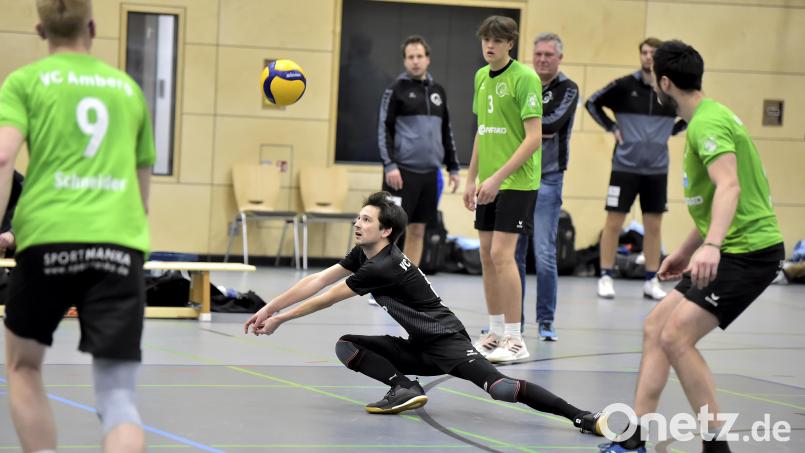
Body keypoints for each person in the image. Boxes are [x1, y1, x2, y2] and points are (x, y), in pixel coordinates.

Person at [244, 191, 604, 435]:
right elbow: (317, 280)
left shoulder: (383, 265)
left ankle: (584, 417)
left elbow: (328, 297)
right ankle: (404, 387)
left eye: (366, 220)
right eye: (358, 218)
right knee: (348, 346)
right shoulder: (364, 255)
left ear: (385, 231)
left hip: (447, 341)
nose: (358, 224)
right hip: (420, 345)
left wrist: (279, 321)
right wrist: (269, 308)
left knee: (501, 388)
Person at [598, 40, 785, 453]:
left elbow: (729, 187)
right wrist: (686, 250)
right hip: (728, 245)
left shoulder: (708, 125)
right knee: (655, 327)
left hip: (748, 252)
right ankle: (637, 436)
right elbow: (713, 203)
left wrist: (713, 245)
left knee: (677, 337)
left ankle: (715, 445)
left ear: (664, 82)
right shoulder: (704, 118)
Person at [0, 1, 155, 452]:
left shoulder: (25, 82)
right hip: (117, 245)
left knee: (24, 367)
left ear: (39, 29)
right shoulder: (127, 90)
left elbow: (4, 156)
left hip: (47, 240)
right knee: (118, 396)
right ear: (92, 27)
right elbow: (141, 184)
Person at [464, 16, 542, 363]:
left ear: (511, 43)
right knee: (485, 254)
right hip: (489, 182)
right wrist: (472, 178)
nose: (490, 45)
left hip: (518, 181)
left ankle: (515, 336)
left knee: (501, 255)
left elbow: (534, 138)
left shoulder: (525, 78)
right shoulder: (481, 77)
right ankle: (494, 332)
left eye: (497, 40)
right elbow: (483, 130)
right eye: (486, 39)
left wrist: (498, 179)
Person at [585, 37, 686, 301]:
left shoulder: (671, 90)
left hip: (657, 170)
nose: (648, 57)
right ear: (639, 55)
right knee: (614, 222)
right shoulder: (623, 86)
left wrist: (672, 130)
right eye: (644, 52)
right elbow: (592, 102)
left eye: (653, 53)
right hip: (624, 168)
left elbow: (691, 112)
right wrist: (612, 127)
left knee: (653, 226)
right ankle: (606, 275)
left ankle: (652, 280)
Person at [514, 32, 579, 341]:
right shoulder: (523, 81)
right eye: (538, 54)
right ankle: (514, 322)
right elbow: (510, 125)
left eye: (548, 55)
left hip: (549, 177)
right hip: (517, 177)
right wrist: (531, 130)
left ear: (559, 58)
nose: (542, 59)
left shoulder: (568, 88)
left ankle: (546, 321)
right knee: (513, 252)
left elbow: (552, 124)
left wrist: (528, 128)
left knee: (544, 253)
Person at [378, 35, 460, 266]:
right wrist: (390, 165)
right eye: (410, 57)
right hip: (401, 174)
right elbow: (383, 129)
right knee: (390, 233)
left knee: (417, 230)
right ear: (405, 61)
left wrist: (453, 167)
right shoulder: (395, 90)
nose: (415, 61)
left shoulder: (438, 91)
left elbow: (447, 131)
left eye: (419, 56)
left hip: (429, 175)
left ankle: (408, 284)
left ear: (427, 59)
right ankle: (381, 285)